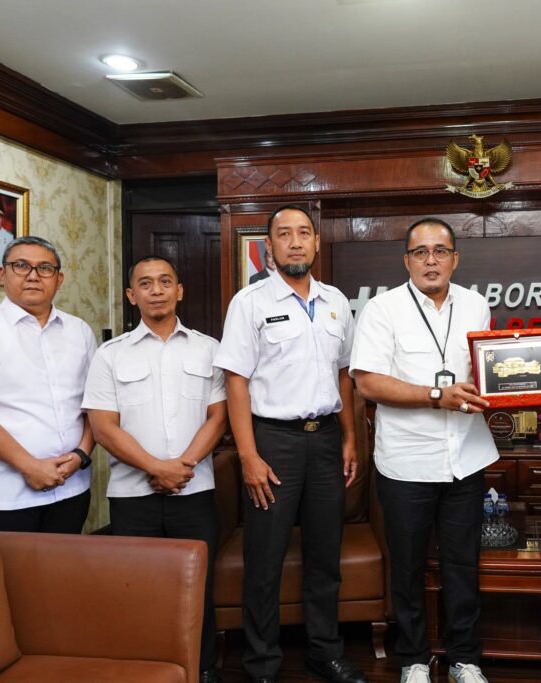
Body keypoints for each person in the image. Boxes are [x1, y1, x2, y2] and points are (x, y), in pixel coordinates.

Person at [214, 205, 366, 683]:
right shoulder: (249, 303)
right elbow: (235, 382)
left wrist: (349, 437)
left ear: (316, 242)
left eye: (304, 233)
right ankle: (262, 663)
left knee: (325, 554)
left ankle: (325, 652)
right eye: (284, 234)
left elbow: (344, 375)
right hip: (273, 442)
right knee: (265, 557)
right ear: (270, 246)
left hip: (325, 441)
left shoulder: (336, 301)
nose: (295, 241)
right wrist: (248, 455)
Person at [351, 217, 497, 683]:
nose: (430, 261)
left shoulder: (476, 305)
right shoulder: (382, 310)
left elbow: (487, 372)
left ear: (455, 258)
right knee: (408, 566)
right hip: (406, 461)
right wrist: (437, 395)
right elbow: (368, 382)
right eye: (420, 252)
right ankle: (413, 659)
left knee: (462, 565)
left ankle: (465, 659)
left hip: (466, 457)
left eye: (440, 251)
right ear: (407, 260)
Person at [82, 255, 228, 683]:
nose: (157, 290)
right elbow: (103, 427)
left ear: (179, 290)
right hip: (132, 496)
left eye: (165, 281)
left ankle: (203, 668)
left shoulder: (209, 349)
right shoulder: (109, 355)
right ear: (132, 295)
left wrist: (182, 467)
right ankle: (147, 671)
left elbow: (218, 417)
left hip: (194, 490)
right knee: (137, 588)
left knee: (198, 586)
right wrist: (156, 468)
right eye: (146, 284)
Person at [0, 235, 96, 532]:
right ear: (2, 275)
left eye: (45, 268)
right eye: (21, 266)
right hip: (4, 495)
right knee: (6, 565)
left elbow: (94, 405)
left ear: (59, 279)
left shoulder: (79, 331)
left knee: (65, 563)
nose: (33, 276)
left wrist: (81, 454)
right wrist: (30, 466)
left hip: (72, 488)